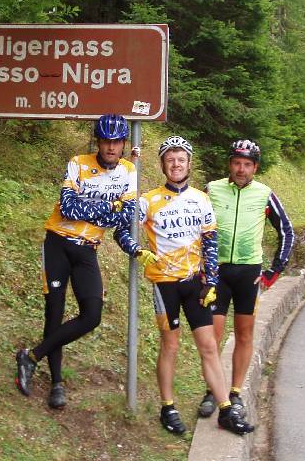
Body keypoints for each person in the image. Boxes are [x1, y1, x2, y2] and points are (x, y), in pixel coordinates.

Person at [115, 136, 254, 436]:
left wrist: (212, 281)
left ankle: (225, 411)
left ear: (189, 164)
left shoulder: (201, 199)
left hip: (195, 284)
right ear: (163, 165)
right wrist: (136, 250)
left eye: (181, 160)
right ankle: (168, 406)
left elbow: (210, 243)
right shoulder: (148, 199)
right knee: (171, 345)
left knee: (208, 346)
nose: (176, 164)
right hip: (165, 285)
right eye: (170, 160)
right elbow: (121, 231)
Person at [15, 114, 137, 409]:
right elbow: (68, 208)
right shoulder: (78, 162)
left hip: (87, 249)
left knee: (92, 314)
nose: (111, 147)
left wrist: (94, 206)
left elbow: (127, 215)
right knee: (54, 312)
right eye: (106, 141)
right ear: (98, 141)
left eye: (116, 141)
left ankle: (30, 356)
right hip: (57, 242)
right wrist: (109, 207)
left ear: (123, 144)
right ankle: (56, 383)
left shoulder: (129, 171)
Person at [196, 139, 295, 421]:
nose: (241, 169)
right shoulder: (212, 190)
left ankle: (236, 392)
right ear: (230, 163)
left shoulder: (265, 194)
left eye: (247, 165)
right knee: (211, 338)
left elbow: (286, 231)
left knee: (244, 333)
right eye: (237, 163)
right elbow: (194, 225)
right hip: (216, 274)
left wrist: (273, 272)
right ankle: (212, 392)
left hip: (248, 274)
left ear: (255, 167)